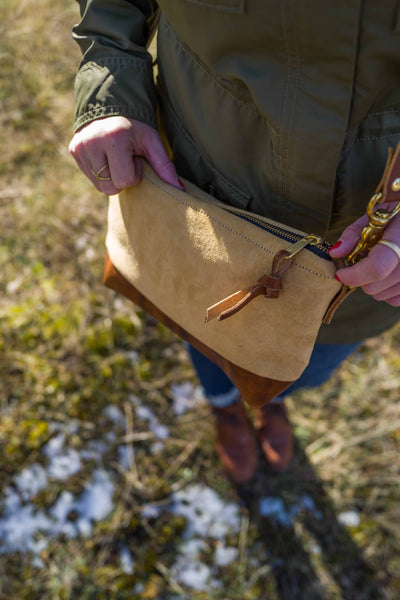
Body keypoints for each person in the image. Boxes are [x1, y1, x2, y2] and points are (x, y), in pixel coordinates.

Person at [69, 1, 400, 483]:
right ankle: (226, 406)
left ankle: (269, 400)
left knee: (305, 368)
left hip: (368, 254)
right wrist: (111, 77)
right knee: (203, 331)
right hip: (200, 184)